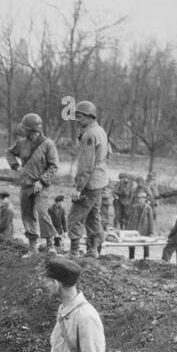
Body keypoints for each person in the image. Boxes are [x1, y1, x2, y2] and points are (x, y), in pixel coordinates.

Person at [6, 112, 60, 251]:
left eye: (25, 129)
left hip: (41, 186)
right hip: (26, 185)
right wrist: (15, 166)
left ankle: (50, 244)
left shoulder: (48, 144)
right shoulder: (22, 143)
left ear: (32, 130)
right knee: (27, 215)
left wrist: (41, 181)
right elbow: (10, 153)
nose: (22, 131)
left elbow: (54, 166)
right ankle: (32, 246)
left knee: (42, 212)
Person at [68, 101, 111, 257]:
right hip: (100, 181)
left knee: (75, 216)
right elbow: (108, 154)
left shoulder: (90, 134)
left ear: (89, 116)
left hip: (90, 183)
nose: (77, 120)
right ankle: (92, 250)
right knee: (93, 215)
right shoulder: (101, 131)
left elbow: (86, 165)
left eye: (79, 117)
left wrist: (78, 188)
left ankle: (73, 252)